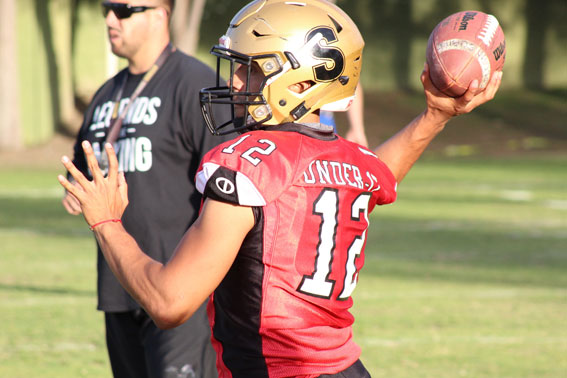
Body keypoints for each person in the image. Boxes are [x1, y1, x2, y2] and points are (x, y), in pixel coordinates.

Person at [58, 0, 502, 376]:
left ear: (303, 82)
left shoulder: (247, 166)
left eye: (251, 71)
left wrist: (106, 220)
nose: (234, 83)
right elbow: (378, 171)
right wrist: (435, 116)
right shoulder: (350, 159)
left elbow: (170, 301)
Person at [61, 1, 229, 377]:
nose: (109, 19)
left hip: (179, 288)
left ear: (159, 14)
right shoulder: (106, 94)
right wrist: (78, 189)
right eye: (107, 9)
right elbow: (84, 170)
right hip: (119, 286)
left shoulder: (197, 85)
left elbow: (231, 184)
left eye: (122, 10)